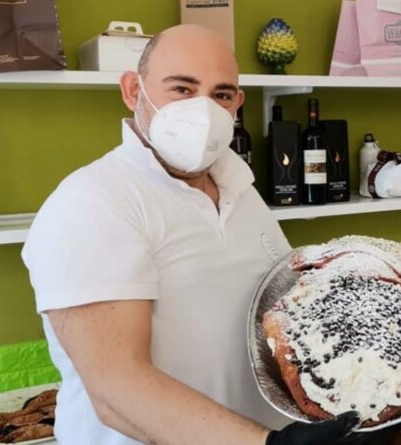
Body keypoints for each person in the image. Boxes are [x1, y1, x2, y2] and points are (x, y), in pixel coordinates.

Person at [22, 24, 380, 445]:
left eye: (221, 95)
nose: (203, 109)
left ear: (237, 105)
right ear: (133, 91)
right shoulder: (93, 202)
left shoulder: (242, 192)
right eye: (182, 89)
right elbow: (117, 390)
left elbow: (284, 315)